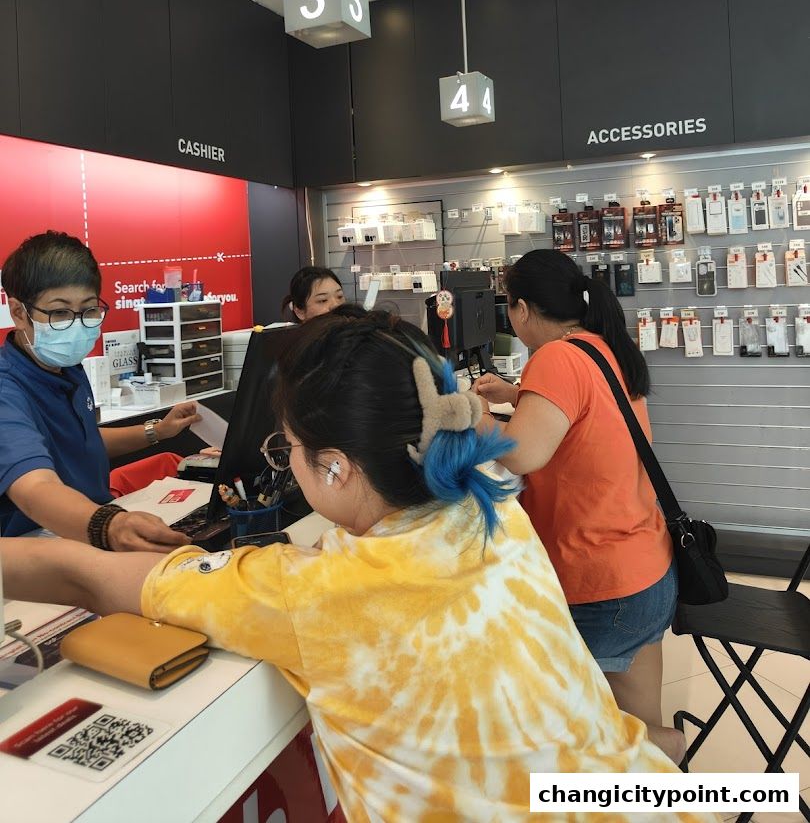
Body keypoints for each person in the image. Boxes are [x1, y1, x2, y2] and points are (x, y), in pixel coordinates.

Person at [1, 310, 716, 823]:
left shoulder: (317, 597)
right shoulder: (489, 506)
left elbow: (84, 575)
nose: (287, 462)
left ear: (336, 466)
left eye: (287, 449)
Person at [472, 249, 681, 761]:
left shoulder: (555, 357)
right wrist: (518, 394)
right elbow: (586, 411)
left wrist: (474, 416)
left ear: (522, 309)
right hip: (645, 568)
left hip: (600, 581)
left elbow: (522, 453)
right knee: (638, 731)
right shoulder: (599, 345)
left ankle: (671, 756)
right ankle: (667, 769)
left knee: (581, 734)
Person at [0, 231, 200, 550]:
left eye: (89, 310)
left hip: (92, 526)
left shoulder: (68, 368)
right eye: (60, 313)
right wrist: (108, 525)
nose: (78, 324)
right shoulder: (7, 389)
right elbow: (35, 487)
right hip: (36, 546)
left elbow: (82, 441)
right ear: (19, 313)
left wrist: (158, 431)